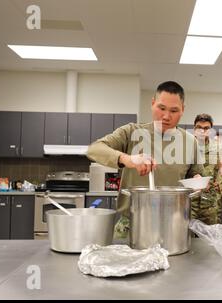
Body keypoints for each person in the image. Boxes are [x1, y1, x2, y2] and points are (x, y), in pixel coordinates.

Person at [87, 81, 203, 238]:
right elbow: (94, 149)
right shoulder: (131, 132)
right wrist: (127, 159)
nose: (166, 116)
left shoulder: (190, 142)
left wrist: (197, 181)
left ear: (183, 110)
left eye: (174, 110)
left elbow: (196, 175)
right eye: (161, 108)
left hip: (173, 225)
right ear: (153, 103)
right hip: (131, 224)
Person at [191, 113, 222, 224]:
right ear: (194, 129)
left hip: (210, 203)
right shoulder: (186, 147)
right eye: (199, 127)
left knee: (210, 237)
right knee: (187, 236)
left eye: (206, 128)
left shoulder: (218, 148)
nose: (202, 131)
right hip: (190, 202)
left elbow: (221, 173)